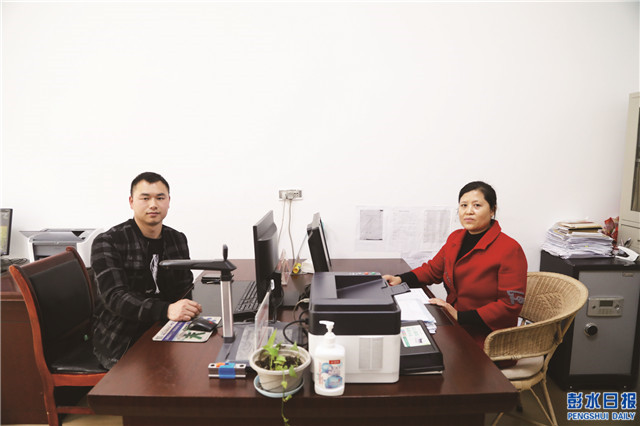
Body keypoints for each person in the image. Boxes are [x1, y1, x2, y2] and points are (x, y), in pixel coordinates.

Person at [383, 181, 527, 350]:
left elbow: (510, 305)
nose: (468, 211)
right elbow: (433, 270)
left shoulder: (509, 249)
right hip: (454, 324)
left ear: (492, 210)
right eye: (463, 205)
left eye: (477, 205)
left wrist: (460, 316)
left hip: (489, 337)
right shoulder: (456, 238)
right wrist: (400, 279)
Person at [91, 172, 202, 369]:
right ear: (131, 202)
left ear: (168, 201)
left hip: (166, 326)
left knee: (202, 360)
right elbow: (115, 297)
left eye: (160, 198)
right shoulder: (108, 242)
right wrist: (166, 310)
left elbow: (184, 287)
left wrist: (187, 309)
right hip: (122, 338)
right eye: (145, 198)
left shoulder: (177, 238)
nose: (153, 204)